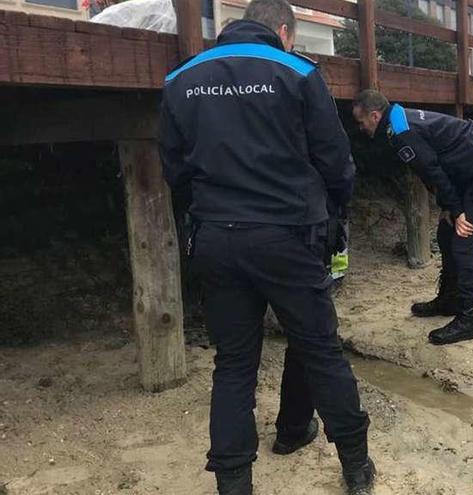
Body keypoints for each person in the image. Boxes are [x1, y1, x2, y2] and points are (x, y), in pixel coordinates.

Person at [158, 1, 374, 494]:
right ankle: (356, 468)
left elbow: (174, 166)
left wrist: (205, 212)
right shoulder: (297, 70)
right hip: (288, 233)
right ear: (282, 29)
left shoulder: (181, 78)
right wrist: (335, 209)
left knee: (233, 363)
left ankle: (234, 484)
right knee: (320, 349)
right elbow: (335, 159)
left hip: (216, 234)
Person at [351, 90, 473, 346]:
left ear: (374, 116)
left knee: (463, 239)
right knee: (445, 234)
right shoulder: (398, 121)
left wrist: (458, 211)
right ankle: (449, 300)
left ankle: (470, 320)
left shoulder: (402, 133)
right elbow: (431, 170)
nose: (361, 128)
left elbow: (433, 172)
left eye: (361, 122)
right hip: (469, 172)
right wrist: (449, 207)